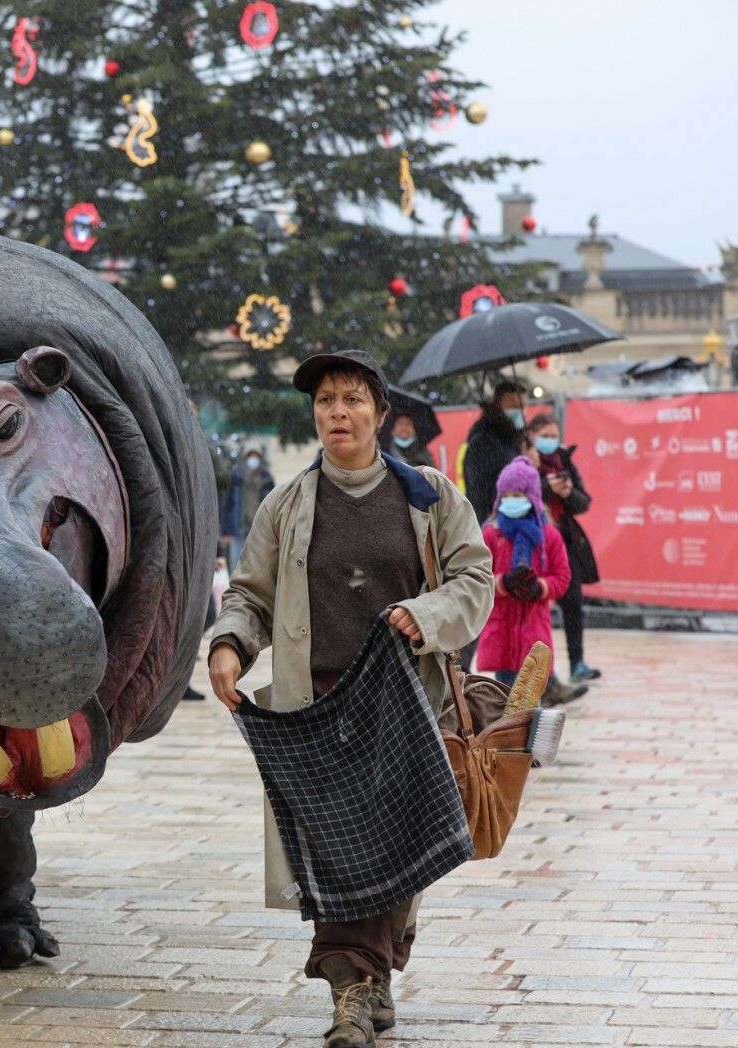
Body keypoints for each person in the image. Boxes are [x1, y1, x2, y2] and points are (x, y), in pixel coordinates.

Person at [207, 348, 492, 1048]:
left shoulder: (428, 496)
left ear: (380, 414)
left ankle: (374, 971)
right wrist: (229, 643)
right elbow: (249, 593)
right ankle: (354, 992)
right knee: (339, 858)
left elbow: (475, 578)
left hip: (404, 709)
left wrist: (424, 614)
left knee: (396, 858)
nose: (338, 412)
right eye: (326, 401)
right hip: (318, 713)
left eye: (352, 399)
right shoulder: (287, 504)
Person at [475, 457, 586, 704]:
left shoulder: (549, 536)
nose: (511, 500)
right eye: (507, 495)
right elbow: (476, 578)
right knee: (506, 700)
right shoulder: (491, 534)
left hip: (534, 628)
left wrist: (540, 588)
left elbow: (562, 576)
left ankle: (548, 698)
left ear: (532, 496)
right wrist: (503, 583)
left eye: (518, 494)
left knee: (531, 699)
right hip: (502, 630)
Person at [527, 413, 602, 682]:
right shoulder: (525, 460)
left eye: (554, 436)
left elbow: (584, 502)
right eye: (544, 436)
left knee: (573, 604)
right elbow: (518, 492)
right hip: (533, 542)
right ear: (532, 435)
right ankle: (539, 673)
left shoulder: (564, 460)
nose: (550, 441)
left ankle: (577, 663)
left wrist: (568, 492)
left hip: (564, 542)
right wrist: (547, 487)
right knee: (535, 610)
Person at [463, 379, 531, 523]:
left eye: (523, 406)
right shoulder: (483, 441)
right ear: (498, 405)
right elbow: (483, 492)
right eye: (513, 406)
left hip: (514, 520)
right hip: (492, 522)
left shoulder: (514, 437)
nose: (520, 411)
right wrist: (524, 467)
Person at [220, 446, 275, 572]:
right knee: (236, 564)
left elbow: (273, 503)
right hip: (238, 526)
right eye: (251, 455)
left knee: (257, 565)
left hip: (259, 527)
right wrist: (225, 530)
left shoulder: (266, 477)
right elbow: (228, 503)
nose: (253, 459)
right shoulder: (236, 475)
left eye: (256, 456)